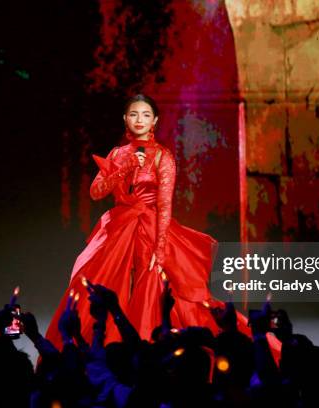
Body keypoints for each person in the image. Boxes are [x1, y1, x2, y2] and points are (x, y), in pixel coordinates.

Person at [45, 94, 250, 348]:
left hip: (151, 228)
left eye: (145, 115)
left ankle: (147, 346)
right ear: (125, 119)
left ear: (155, 120)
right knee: (97, 279)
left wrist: (161, 247)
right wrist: (126, 166)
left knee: (152, 287)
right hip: (117, 227)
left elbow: (165, 204)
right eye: (133, 114)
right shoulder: (118, 154)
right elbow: (96, 191)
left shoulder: (163, 157)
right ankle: (101, 345)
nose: (139, 120)